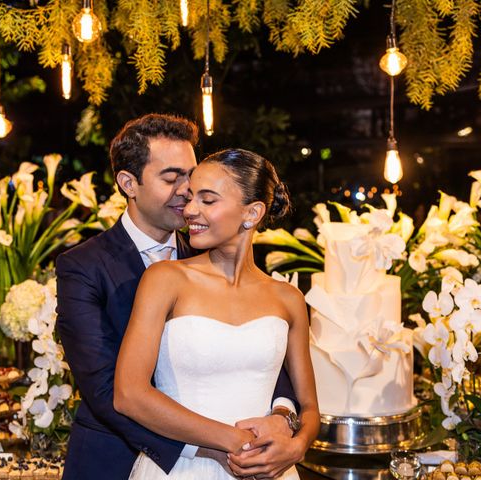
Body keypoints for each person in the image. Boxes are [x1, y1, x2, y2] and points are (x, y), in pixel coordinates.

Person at [56, 115, 304, 480]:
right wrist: (215, 447)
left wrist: (282, 418)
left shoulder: (214, 250)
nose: (187, 191)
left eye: (192, 175)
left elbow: (265, 353)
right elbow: (108, 391)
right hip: (115, 459)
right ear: (129, 183)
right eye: (172, 178)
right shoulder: (83, 266)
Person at [114, 148, 320, 479]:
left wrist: (296, 447)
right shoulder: (165, 279)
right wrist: (231, 440)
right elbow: (129, 395)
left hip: (270, 469)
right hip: (182, 469)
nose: (190, 210)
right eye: (191, 198)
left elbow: (310, 407)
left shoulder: (289, 298)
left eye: (208, 201)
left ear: (252, 213)